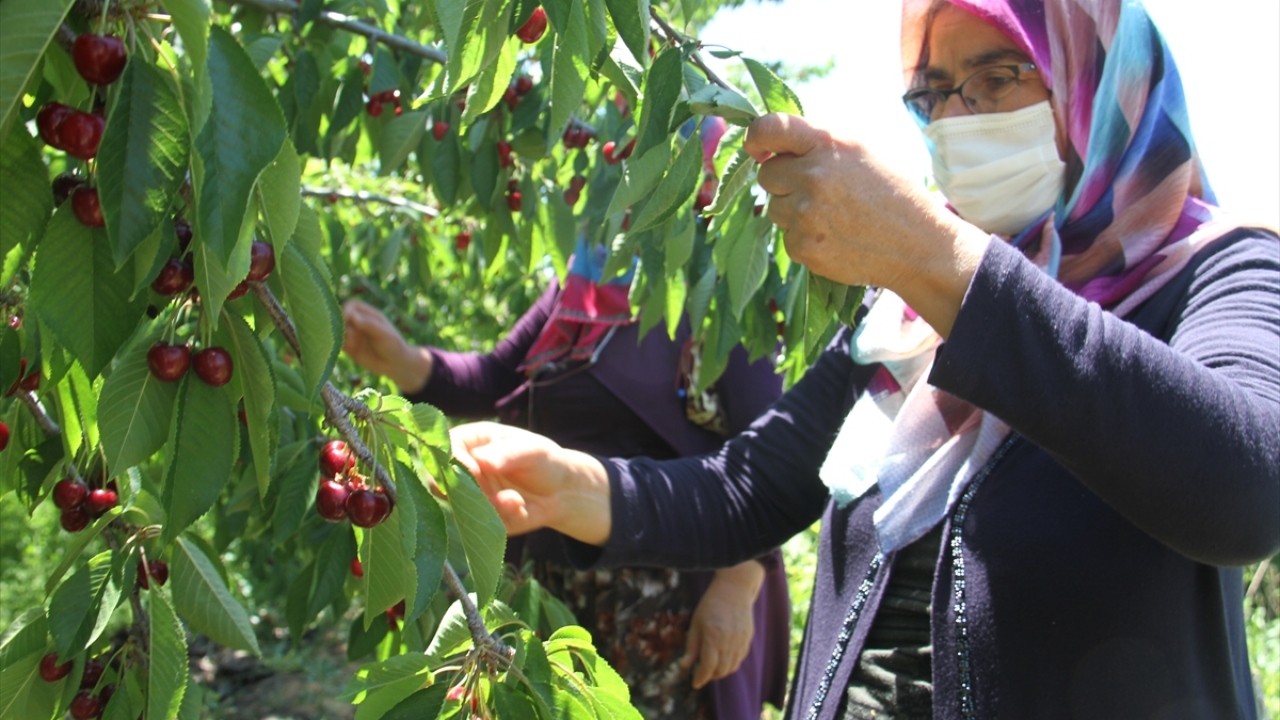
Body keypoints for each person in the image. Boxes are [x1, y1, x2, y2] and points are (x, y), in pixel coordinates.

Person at [449, 1, 1280, 718]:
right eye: (933, 94)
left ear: (1100, 81)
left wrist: (937, 258)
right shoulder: (908, 318)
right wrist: (577, 487)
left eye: (997, 78)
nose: (956, 119)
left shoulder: (1220, 269)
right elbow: (754, 486)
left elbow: (1246, 493)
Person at [341, 232, 792, 718]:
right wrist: (403, 360)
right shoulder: (584, 279)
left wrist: (738, 586)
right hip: (556, 584)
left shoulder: (715, 277)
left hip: (664, 596)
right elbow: (497, 378)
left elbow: (768, 446)